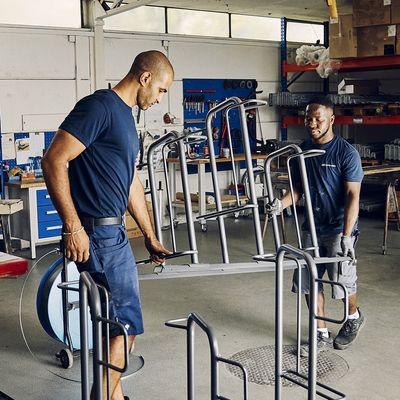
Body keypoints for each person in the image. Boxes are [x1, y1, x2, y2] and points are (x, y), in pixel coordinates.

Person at [42, 50, 174, 400]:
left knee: (117, 327)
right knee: (122, 330)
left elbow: (131, 183)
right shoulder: (99, 106)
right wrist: (72, 226)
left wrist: (149, 235)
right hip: (97, 234)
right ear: (145, 77)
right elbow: (54, 159)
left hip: (113, 235)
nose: (160, 99)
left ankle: (113, 396)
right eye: (160, 90)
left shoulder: (127, 120)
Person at [268, 96, 365, 355]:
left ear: (331, 120)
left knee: (342, 283)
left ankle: (353, 317)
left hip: (338, 229)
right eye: (309, 119)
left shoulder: (346, 153)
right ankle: (320, 333)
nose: (312, 124)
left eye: (318, 119)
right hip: (312, 227)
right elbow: (298, 189)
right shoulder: (303, 151)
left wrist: (346, 237)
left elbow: (353, 196)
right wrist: (281, 204)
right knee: (308, 282)